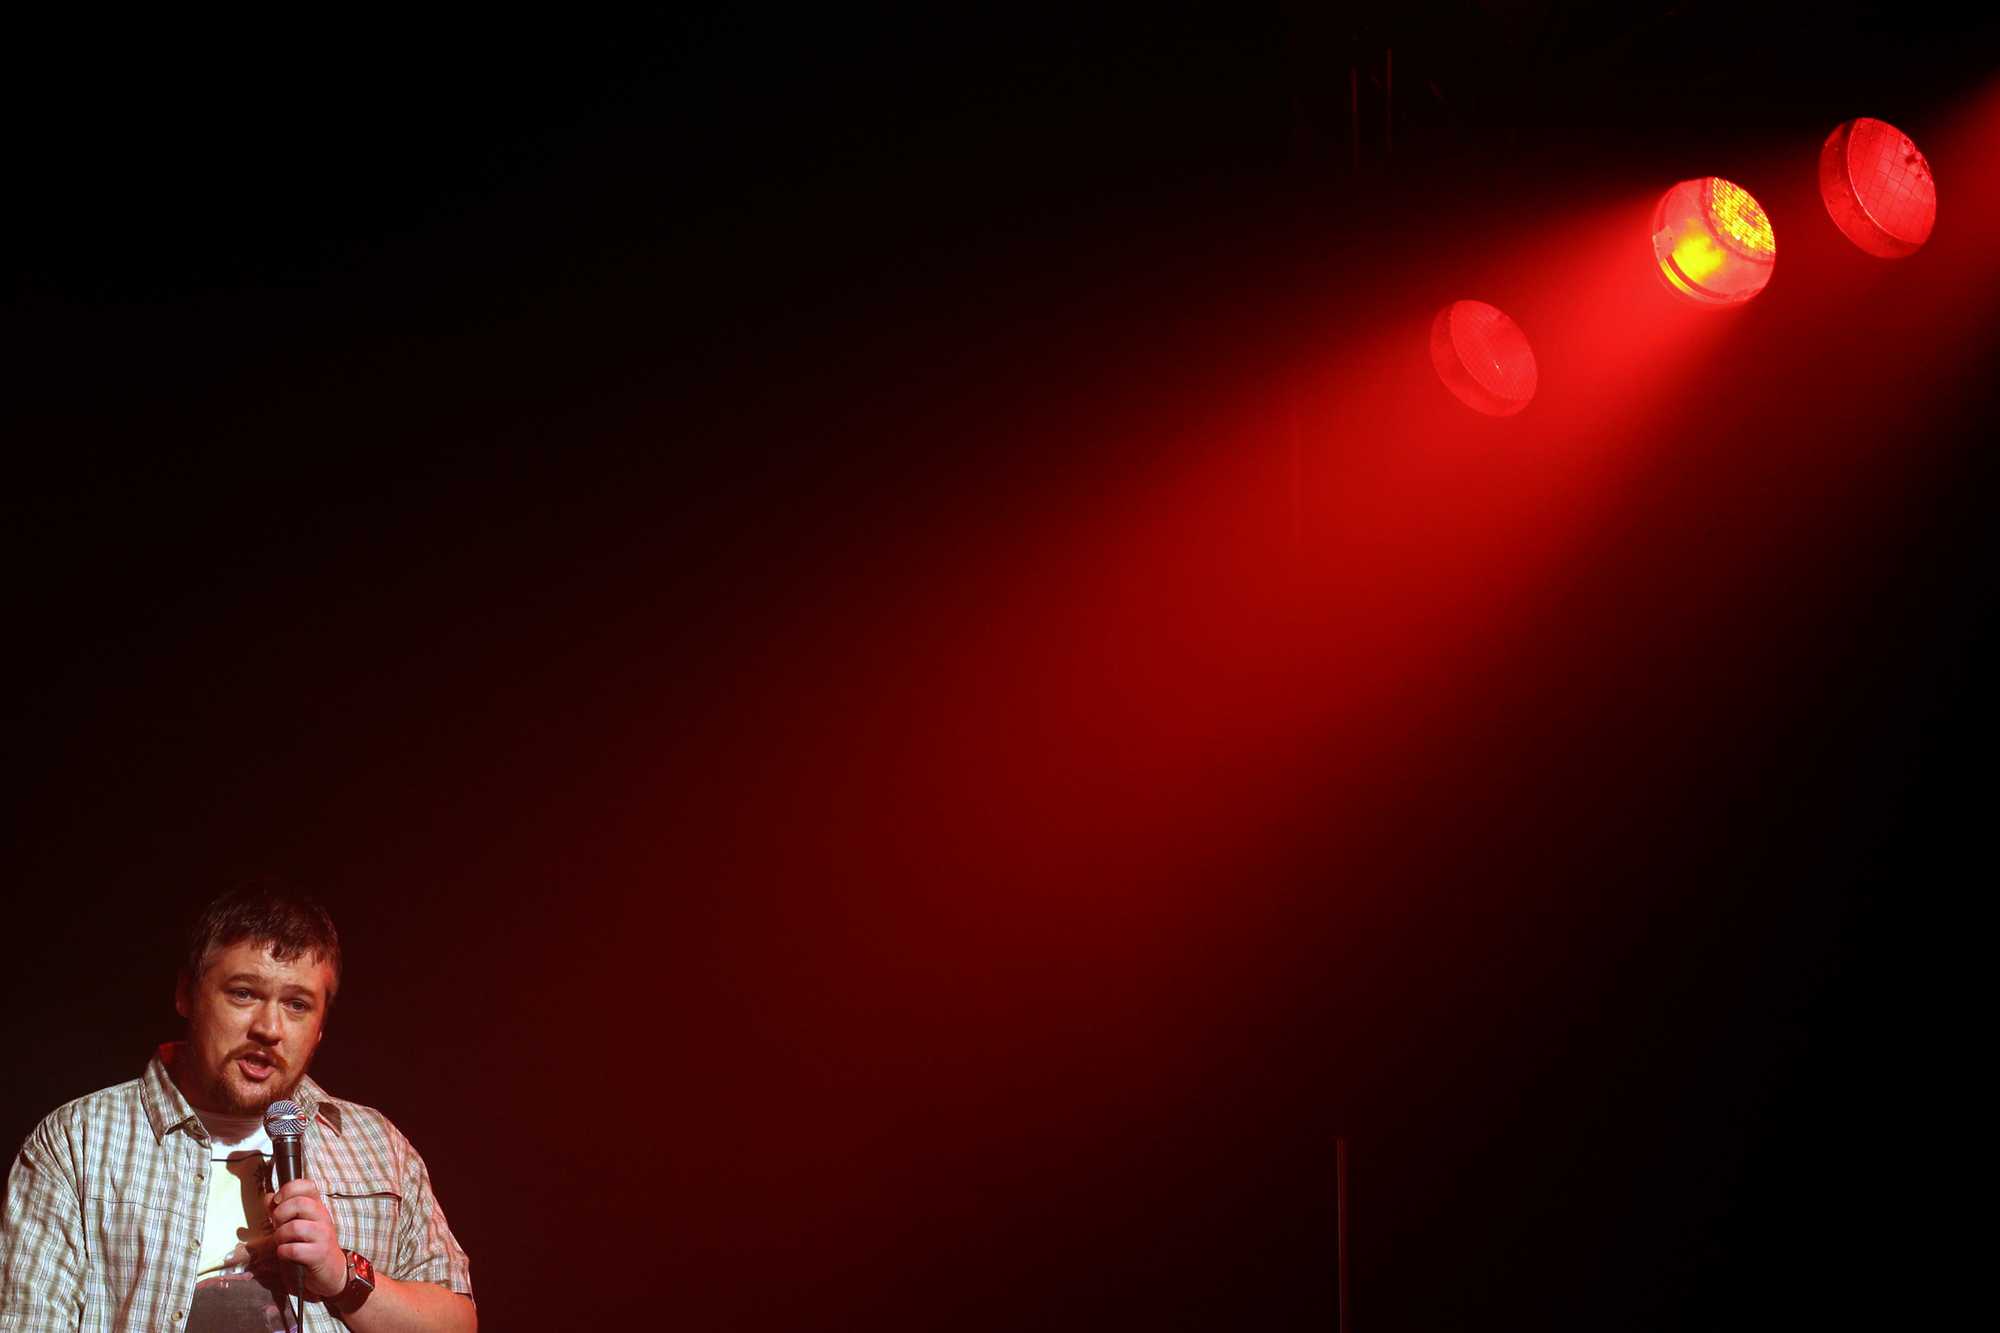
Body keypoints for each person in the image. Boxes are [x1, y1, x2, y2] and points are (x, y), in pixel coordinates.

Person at [0, 882, 476, 1332]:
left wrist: (340, 1275)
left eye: (297, 1004)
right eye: (244, 993)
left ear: (321, 1027)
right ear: (186, 994)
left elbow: (457, 1322)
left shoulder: (376, 1147)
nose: (269, 1027)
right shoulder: (79, 1142)